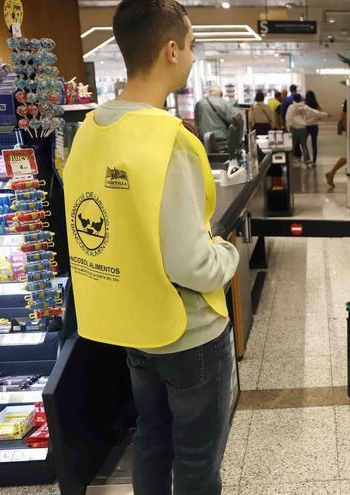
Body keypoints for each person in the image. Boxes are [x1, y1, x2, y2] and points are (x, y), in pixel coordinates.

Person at [62, 1, 240, 494]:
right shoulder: (170, 141)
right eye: (191, 46)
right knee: (197, 456)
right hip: (188, 332)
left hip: (132, 324)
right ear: (170, 50)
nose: (193, 57)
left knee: (152, 436)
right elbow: (192, 264)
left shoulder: (89, 131)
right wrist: (227, 253)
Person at [285, 93, 329, 167]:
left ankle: (289, 161)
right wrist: (326, 115)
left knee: (292, 146)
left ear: (294, 99)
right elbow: (314, 112)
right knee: (304, 145)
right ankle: (306, 161)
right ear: (300, 99)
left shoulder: (291, 107)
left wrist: (288, 128)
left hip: (294, 128)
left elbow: (287, 118)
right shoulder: (304, 107)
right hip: (303, 128)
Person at [279, 84, 302, 157]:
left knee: (290, 137)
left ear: (290, 90)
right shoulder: (301, 98)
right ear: (296, 89)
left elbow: (283, 112)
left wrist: (282, 122)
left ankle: (292, 153)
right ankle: (298, 152)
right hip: (301, 122)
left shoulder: (287, 99)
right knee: (299, 138)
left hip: (290, 121)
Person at [304, 91, 325, 165]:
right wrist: (315, 119)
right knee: (314, 144)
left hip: (306, 126)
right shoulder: (317, 105)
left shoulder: (304, 106)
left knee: (304, 143)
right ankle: (314, 161)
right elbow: (321, 116)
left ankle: (307, 158)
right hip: (314, 126)